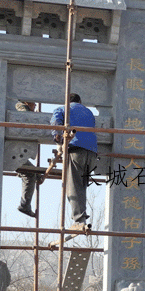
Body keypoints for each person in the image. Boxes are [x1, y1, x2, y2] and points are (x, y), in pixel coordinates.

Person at [51, 93, 98, 230]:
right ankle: (81, 216)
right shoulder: (88, 112)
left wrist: (57, 137)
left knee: (73, 185)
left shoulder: (63, 108)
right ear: (80, 101)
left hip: (76, 149)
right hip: (92, 152)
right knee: (82, 185)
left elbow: (56, 123)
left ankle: (79, 219)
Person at [15, 100, 39, 218]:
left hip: (15, 149)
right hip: (13, 149)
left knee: (34, 173)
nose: (35, 107)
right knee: (30, 173)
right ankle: (24, 205)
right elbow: (26, 118)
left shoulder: (21, 106)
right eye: (34, 104)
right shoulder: (21, 107)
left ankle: (25, 204)